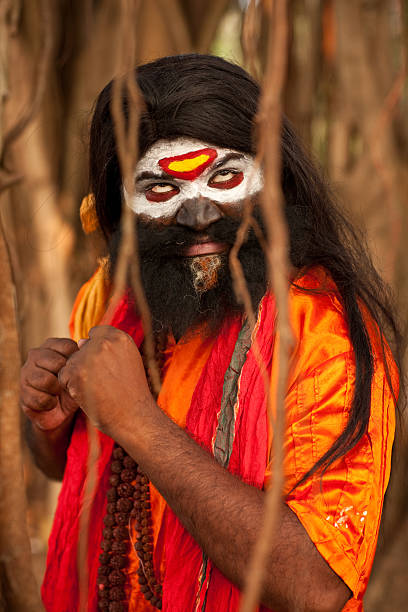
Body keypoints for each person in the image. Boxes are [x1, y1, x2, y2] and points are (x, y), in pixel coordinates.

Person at [21, 55, 401, 612]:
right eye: (158, 190)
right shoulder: (110, 299)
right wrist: (52, 426)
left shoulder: (326, 331)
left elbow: (319, 585)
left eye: (225, 178)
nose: (198, 214)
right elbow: (63, 466)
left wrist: (137, 422)